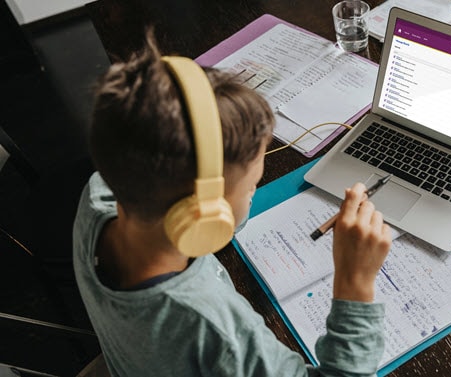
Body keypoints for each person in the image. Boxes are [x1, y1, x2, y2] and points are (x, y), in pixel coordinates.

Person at [73, 33, 392, 376]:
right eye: (252, 186)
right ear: (206, 212)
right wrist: (354, 283)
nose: (254, 193)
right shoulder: (217, 333)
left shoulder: (100, 195)